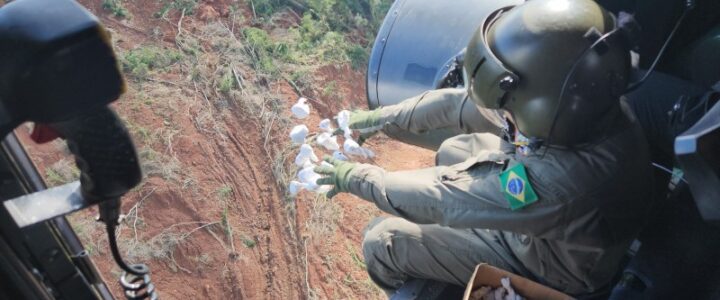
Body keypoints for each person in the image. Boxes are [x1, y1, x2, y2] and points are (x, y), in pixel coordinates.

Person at [315, 0, 655, 296]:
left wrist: (356, 178)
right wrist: (380, 118)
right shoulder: (580, 108)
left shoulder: (560, 182)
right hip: (557, 223)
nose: (502, 113)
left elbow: (442, 199)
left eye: (509, 107)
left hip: (549, 265)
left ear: (541, 107)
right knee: (454, 150)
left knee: (383, 241)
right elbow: (458, 106)